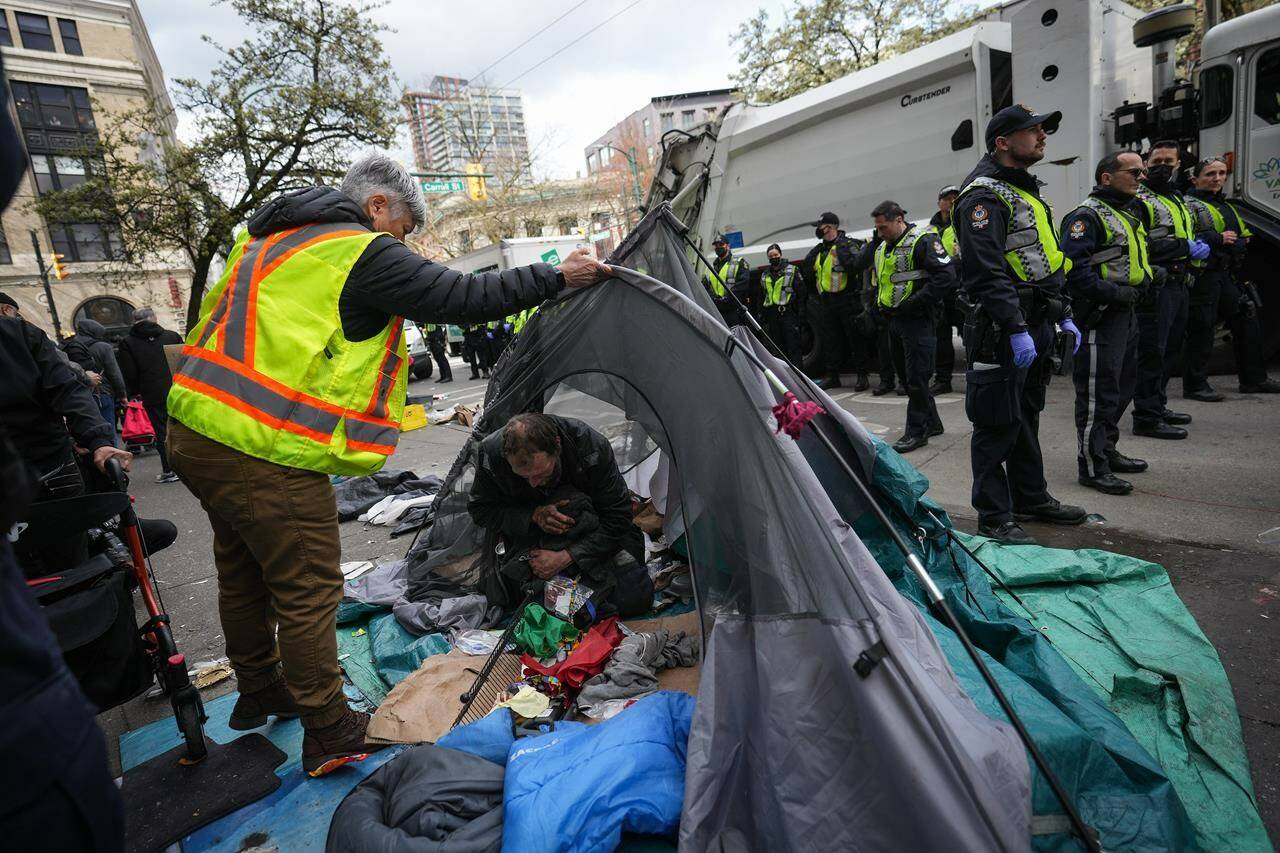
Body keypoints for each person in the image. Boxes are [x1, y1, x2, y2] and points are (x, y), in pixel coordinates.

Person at [165, 154, 609, 777]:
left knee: (243, 567)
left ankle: (261, 686)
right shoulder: (354, 247)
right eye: (400, 230)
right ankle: (328, 727)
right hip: (257, 440)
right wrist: (554, 276)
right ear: (378, 206)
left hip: (196, 426)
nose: (397, 246)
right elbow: (459, 295)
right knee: (308, 584)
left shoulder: (266, 244)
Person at [953, 104, 1085, 545]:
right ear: (1003, 142)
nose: (1042, 137)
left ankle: (1031, 496)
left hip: (1036, 320)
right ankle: (993, 515)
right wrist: (1013, 325)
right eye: (1032, 131)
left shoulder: (1023, 190)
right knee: (995, 422)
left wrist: (1063, 312)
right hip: (1003, 327)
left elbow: (1042, 259)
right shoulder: (983, 198)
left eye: (1044, 129)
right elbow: (985, 271)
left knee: (1026, 415)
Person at [467, 412, 653, 618]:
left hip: (595, 537)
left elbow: (618, 516)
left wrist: (568, 556)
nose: (533, 484)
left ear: (557, 447)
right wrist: (532, 516)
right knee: (543, 612)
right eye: (524, 477)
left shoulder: (589, 446)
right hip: (535, 543)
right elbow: (481, 510)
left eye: (540, 474)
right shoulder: (491, 455)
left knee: (634, 598)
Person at [1061, 152, 1154, 496]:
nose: (1141, 177)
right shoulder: (1086, 217)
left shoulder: (1126, 213)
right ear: (1106, 178)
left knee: (1122, 387)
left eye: (1142, 172)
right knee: (1098, 394)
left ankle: (1108, 449)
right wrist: (1114, 293)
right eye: (1133, 172)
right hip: (1101, 314)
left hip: (1125, 314)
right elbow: (1074, 270)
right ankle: (1092, 465)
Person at [1183, 157, 1280, 399]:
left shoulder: (1226, 206)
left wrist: (1236, 240)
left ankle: (1253, 380)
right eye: (1210, 174)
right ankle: (1195, 385)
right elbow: (1185, 235)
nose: (1217, 178)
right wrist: (1218, 239)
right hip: (1202, 275)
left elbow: (1242, 235)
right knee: (1202, 329)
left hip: (1225, 273)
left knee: (1247, 318)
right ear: (1195, 179)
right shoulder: (1187, 204)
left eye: (1221, 173)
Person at [865, 200, 955, 452]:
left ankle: (917, 432)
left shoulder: (923, 241)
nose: (879, 232)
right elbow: (884, 282)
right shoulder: (883, 247)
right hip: (894, 320)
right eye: (878, 228)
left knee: (917, 377)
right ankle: (932, 422)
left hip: (918, 319)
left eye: (883, 227)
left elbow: (946, 277)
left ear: (899, 220)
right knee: (907, 378)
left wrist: (915, 303)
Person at [1132, 141, 1199, 439]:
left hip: (1180, 283)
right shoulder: (1139, 200)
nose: (1161, 166)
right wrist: (1184, 247)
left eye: (1168, 161)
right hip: (1159, 285)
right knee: (1152, 353)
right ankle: (1146, 416)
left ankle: (1158, 406)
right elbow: (1139, 245)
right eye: (1155, 160)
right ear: (1147, 163)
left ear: (1178, 165)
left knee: (1171, 349)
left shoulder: (1178, 198)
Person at [801, 212, 872, 390]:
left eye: (821, 226)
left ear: (831, 226)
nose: (818, 230)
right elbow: (808, 270)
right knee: (831, 340)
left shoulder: (847, 245)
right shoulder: (819, 250)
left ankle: (862, 376)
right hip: (826, 302)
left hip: (847, 300)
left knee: (855, 339)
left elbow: (856, 265)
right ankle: (833, 376)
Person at [117, 307, 184, 482]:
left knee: (162, 431)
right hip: (177, 389)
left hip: (151, 393)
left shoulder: (128, 343)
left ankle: (169, 469)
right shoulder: (171, 336)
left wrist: (133, 392)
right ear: (153, 318)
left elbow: (129, 371)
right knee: (183, 426)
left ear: (134, 321)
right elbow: (182, 361)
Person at [64, 318, 127, 444]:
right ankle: (113, 460)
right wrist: (122, 394)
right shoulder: (103, 347)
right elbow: (114, 373)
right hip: (102, 392)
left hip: (78, 395)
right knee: (108, 431)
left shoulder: (68, 346)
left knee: (88, 432)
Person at [929, 185, 962, 394]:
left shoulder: (963, 224)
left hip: (961, 289)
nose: (951, 202)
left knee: (971, 337)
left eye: (954, 199)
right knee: (941, 339)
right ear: (939, 202)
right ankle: (943, 380)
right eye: (947, 198)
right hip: (940, 292)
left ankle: (979, 381)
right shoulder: (929, 231)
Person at [759, 243, 805, 365]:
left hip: (788, 313)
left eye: (776, 255)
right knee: (778, 349)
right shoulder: (765, 274)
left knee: (793, 346)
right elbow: (763, 295)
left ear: (780, 254)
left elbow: (802, 293)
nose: (774, 257)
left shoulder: (792, 270)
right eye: (771, 256)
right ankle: (785, 377)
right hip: (772, 315)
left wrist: (801, 313)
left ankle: (799, 377)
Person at [702, 233, 749, 326]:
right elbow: (705, 286)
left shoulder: (739, 262)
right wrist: (714, 301)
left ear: (728, 246)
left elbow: (742, 284)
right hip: (716, 310)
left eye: (721, 245)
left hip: (733, 310)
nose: (718, 247)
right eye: (716, 246)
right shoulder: (709, 267)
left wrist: (727, 300)